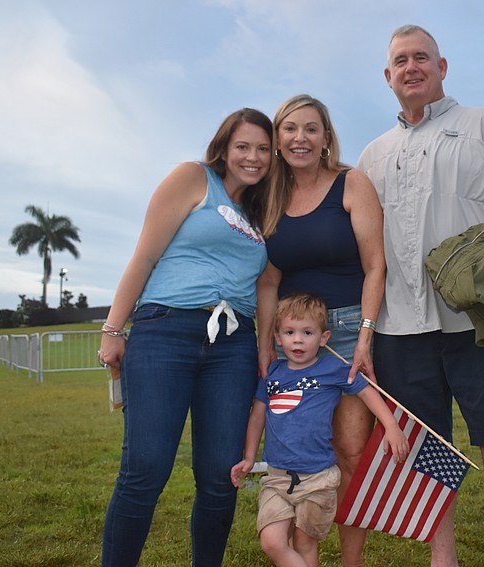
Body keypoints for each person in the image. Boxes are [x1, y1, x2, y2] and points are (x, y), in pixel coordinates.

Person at [358, 25, 484, 567]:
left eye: (422, 57)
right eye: (400, 60)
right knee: (427, 448)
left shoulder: (482, 124)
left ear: (443, 66)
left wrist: (473, 272)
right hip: (401, 328)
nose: (411, 67)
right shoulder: (373, 155)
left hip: (478, 323)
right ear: (387, 76)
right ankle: (444, 557)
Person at [97, 108, 273, 566]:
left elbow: (266, 286)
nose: (252, 157)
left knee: (220, 475)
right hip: (165, 330)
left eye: (262, 149)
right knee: (145, 470)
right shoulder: (193, 179)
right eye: (243, 146)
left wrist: (264, 346)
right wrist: (114, 328)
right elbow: (144, 256)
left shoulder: (261, 215)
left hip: (233, 344)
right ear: (224, 147)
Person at [256, 94, 386, 566]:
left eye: (311, 129)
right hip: (290, 339)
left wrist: (366, 336)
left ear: (326, 137)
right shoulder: (268, 197)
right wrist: (264, 345)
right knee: (298, 448)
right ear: (277, 138)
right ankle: (303, 551)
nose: (300, 138)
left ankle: (351, 560)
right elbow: (268, 280)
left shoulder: (351, 184)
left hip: (347, 332)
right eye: (289, 129)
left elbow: (376, 266)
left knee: (349, 451)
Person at [231, 293, 409, 567]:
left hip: (318, 478)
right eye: (290, 332)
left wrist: (391, 426)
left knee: (304, 544)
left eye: (307, 332)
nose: (298, 340)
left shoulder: (332, 368)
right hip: (277, 477)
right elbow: (257, 415)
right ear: (278, 338)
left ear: (324, 338)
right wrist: (249, 457)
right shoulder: (272, 374)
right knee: (272, 542)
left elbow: (367, 392)